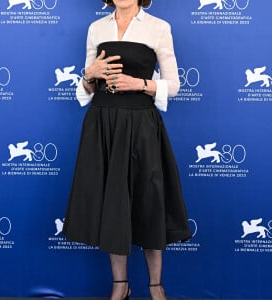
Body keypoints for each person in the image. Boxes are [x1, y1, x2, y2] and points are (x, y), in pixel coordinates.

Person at [62, 0, 192, 299]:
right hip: (102, 124)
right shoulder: (97, 28)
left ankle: (155, 286)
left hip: (141, 125)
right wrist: (88, 73)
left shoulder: (158, 27)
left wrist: (140, 83)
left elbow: (173, 85)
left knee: (150, 202)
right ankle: (120, 286)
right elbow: (86, 89)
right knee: (112, 203)